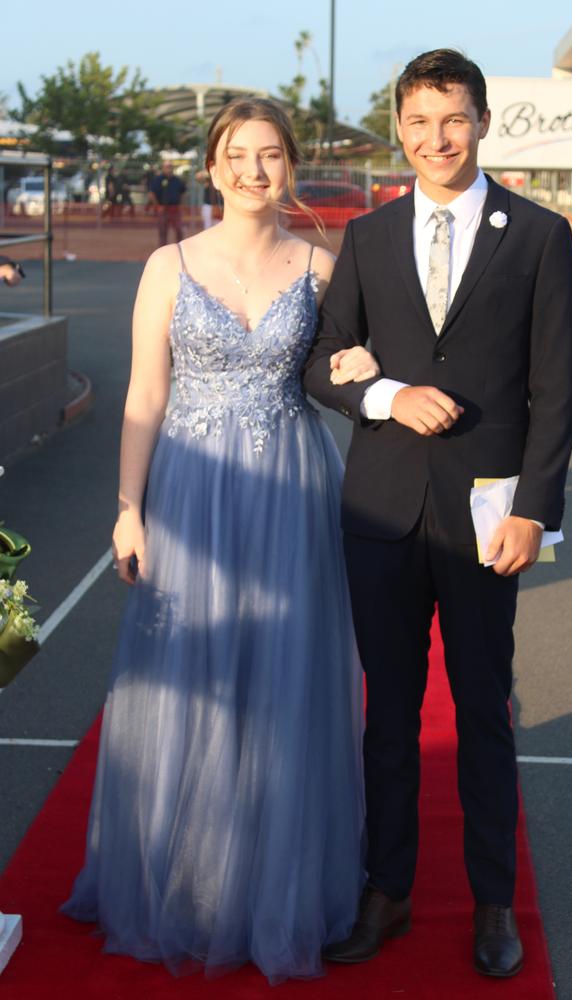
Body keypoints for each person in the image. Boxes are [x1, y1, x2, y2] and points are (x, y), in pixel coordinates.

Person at [61, 97, 379, 984]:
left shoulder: (324, 266)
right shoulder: (169, 265)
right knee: (193, 681)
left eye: (270, 155)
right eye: (237, 155)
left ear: (291, 167)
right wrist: (129, 506)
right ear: (211, 167)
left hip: (291, 490)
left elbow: (353, 362)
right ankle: (190, 885)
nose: (253, 170)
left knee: (285, 679)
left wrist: (363, 365)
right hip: (193, 490)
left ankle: (279, 882)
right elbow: (144, 396)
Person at [304, 48, 572, 978]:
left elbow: (557, 390)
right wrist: (385, 394)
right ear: (399, 127)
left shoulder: (539, 235)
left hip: (485, 520)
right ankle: (389, 891)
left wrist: (535, 514)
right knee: (387, 714)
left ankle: (494, 901)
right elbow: (322, 361)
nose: (436, 139)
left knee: (482, 712)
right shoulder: (370, 236)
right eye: (418, 122)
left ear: (484, 121)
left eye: (452, 118)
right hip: (380, 512)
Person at [151, 161, 186, 246]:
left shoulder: (177, 180)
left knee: (179, 230)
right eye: (166, 167)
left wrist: (180, 204)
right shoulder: (158, 180)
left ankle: (179, 247)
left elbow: (183, 192)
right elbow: (151, 194)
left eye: (170, 166)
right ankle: (163, 248)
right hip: (163, 209)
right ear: (163, 168)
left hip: (175, 209)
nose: (168, 169)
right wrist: (158, 206)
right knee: (163, 231)